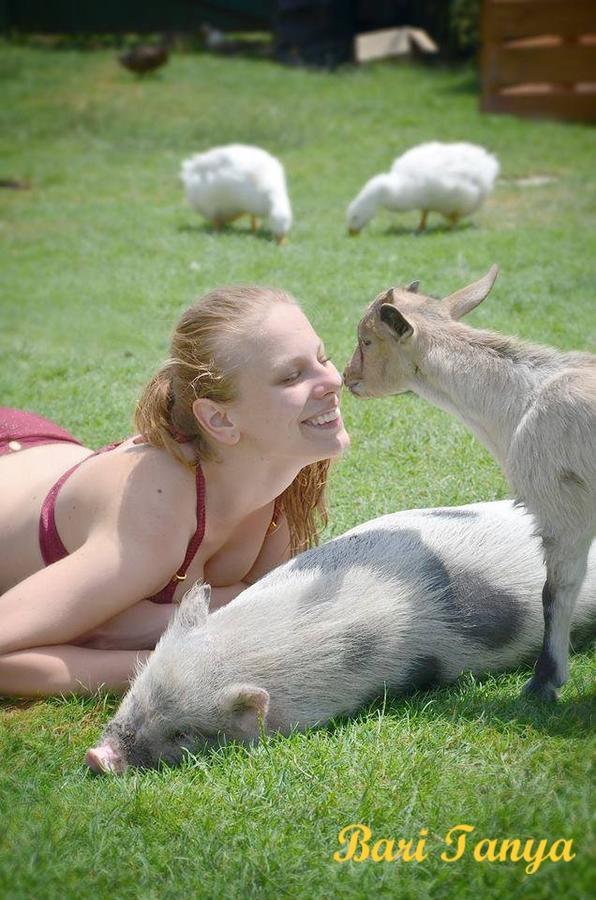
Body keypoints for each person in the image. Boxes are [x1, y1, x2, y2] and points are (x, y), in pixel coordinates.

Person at [0, 286, 350, 697]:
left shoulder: (281, 472)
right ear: (219, 419)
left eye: (322, 357)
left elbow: (266, 610)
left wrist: (162, 622)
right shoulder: (157, 513)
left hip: (44, 455)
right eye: (291, 376)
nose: (333, 379)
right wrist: (175, 661)